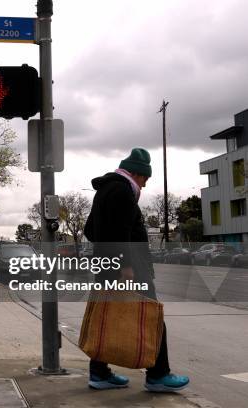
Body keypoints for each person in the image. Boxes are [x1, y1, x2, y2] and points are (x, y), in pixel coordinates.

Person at [83, 147, 189, 392]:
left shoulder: (105, 190)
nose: (145, 184)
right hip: (128, 270)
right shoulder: (122, 191)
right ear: (135, 173)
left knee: (106, 317)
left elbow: (91, 231)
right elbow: (121, 233)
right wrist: (126, 266)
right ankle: (158, 375)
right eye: (145, 178)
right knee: (152, 318)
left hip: (107, 267)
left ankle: (99, 373)